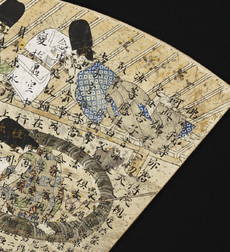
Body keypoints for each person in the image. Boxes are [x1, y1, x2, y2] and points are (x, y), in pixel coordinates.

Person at [66, 20, 194, 154]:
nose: (72, 60)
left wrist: (73, 82)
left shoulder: (84, 77)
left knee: (148, 128)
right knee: (158, 116)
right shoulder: (98, 66)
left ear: (81, 58)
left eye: (73, 56)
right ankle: (185, 133)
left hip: (119, 106)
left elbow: (97, 110)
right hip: (130, 91)